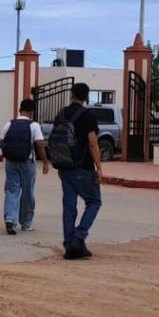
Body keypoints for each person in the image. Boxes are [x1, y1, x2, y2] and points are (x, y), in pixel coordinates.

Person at [56, 82, 103, 260]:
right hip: (83, 167)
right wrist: (99, 167)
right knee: (94, 202)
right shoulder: (88, 115)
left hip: (64, 167)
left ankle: (70, 246)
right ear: (86, 96)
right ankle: (79, 237)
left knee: (69, 207)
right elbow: (92, 142)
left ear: (71, 94)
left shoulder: (61, 114)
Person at [0, 98, 49, 235]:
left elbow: (2, 142)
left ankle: (10, 219)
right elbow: (39, 144)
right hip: (27, 162)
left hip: (10, 162)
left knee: (11, 190)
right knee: (27, 192)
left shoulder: (9, 124)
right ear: (32, 112)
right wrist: (45, 161)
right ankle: (26, 223)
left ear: (20, 110)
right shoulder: (34, 126)